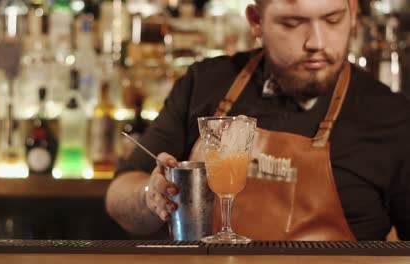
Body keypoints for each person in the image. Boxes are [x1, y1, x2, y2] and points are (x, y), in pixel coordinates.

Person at [105, 0, 410, 241]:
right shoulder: (206, 82)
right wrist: (150, 196)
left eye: (333, 20)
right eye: (292, 23)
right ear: (256, 22)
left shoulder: (390, 115)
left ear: (353, 12)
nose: (316, 42)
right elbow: (119, 194)